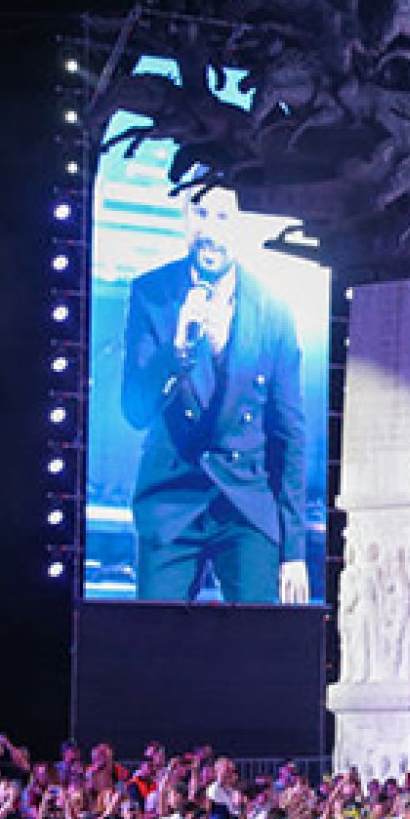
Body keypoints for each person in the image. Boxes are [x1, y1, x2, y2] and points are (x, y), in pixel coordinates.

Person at [120, 186, 308, 604]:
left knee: (256, 650)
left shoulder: (272, 308)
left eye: (222, 217)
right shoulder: (153, 294)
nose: (209, 230)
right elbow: (134, 409)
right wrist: (177, 351)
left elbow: (289, 432)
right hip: (171, 498)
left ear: (240, 225)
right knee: (154, 648)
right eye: (200, 214)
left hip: (245, 504)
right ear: (184, 219)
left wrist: (294, 550)